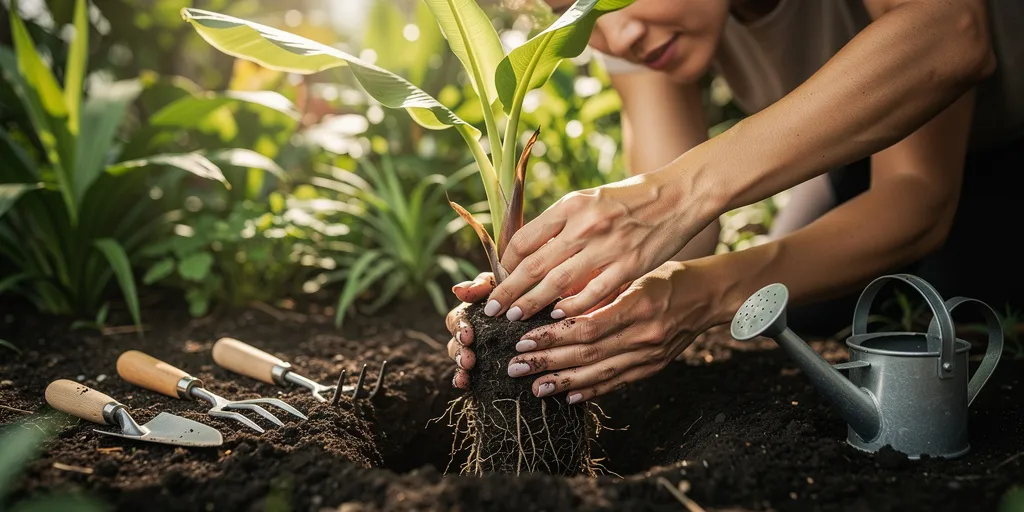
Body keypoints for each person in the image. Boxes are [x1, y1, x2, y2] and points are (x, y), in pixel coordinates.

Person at [445, 0, 1024, 405]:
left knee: (957, 313)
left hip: (1001, 149)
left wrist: (702, 281)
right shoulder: (631, 28)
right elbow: (679, 234)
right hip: (858, 164)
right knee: (805, 311)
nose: (616, 36)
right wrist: (567, 295)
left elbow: (952, 39)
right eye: (575, 10)